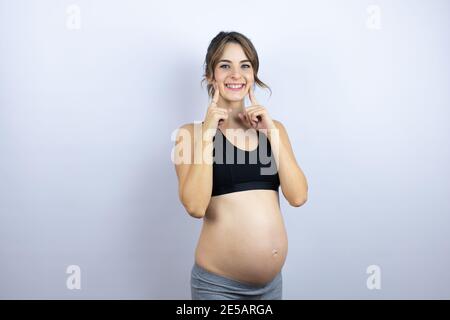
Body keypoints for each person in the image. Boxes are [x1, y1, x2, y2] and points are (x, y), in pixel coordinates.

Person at [173, 31, 308, 300]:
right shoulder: (189, 135)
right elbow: (195, 207)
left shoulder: (274, 129)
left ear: (253, 74)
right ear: (211, 76)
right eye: (225, 66)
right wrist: (209, 132)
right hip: (218, 289)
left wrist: (271, 132)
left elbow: (298, 196)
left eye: (244, 65)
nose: (236, 74)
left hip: (271, 287)